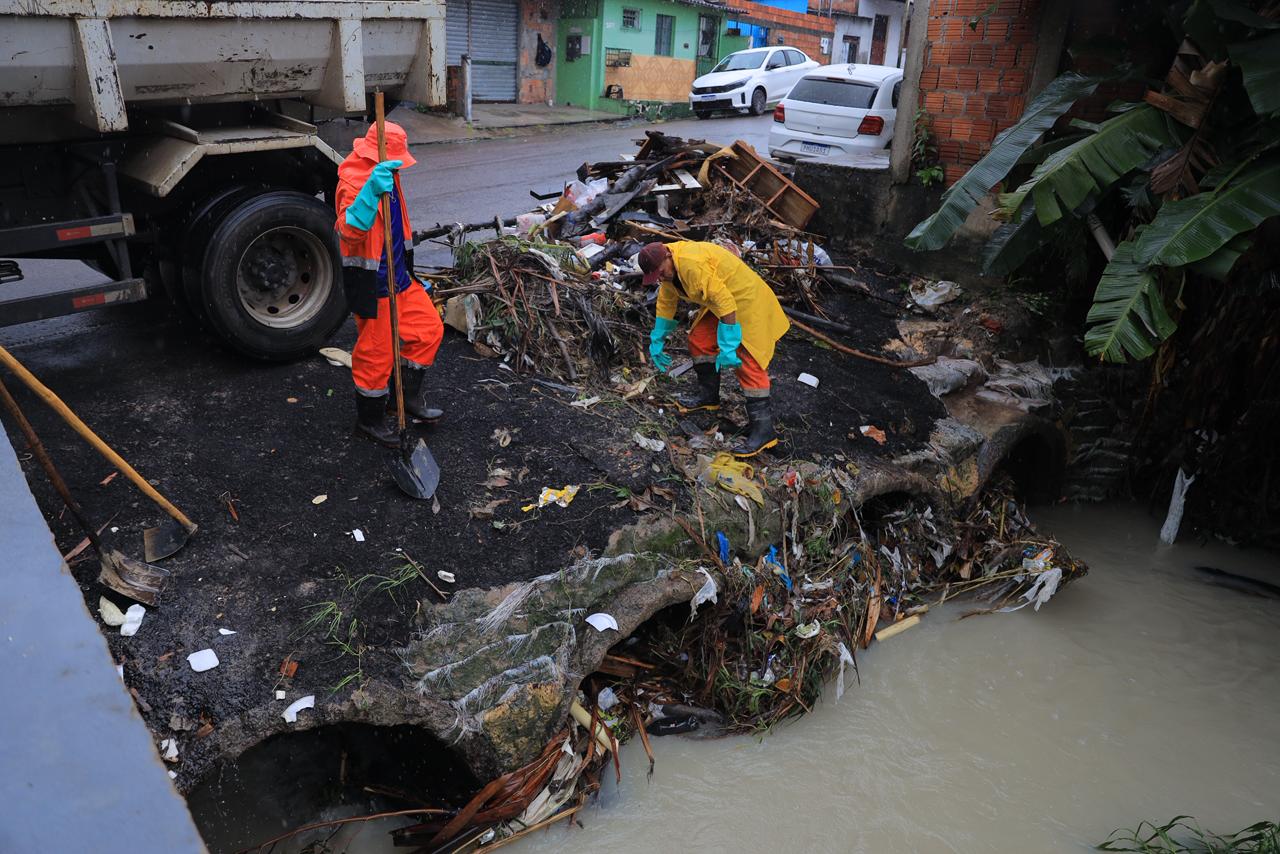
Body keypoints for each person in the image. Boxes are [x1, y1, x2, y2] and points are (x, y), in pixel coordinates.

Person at [334, 122, 444, 447]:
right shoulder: (354, 182)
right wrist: (369, 194)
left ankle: (407, 396)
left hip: (400, 277)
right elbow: (348, 231)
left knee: (429, 331)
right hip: (374, 283)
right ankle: (369, 421)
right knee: (375, 355)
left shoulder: (389, 173)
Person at [639, 240, 789, 457]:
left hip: (745, 301)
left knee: (747, 361)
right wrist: (658, 337)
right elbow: (667, 300)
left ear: (668, 257)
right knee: (699, 339)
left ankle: (764, 432)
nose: (660, 278)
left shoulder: (691, 264)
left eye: (661, 272)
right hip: (721, 300)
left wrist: (729, 344)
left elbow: (726, 303)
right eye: (656, 276)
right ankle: (708, 397)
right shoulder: (669, 270)